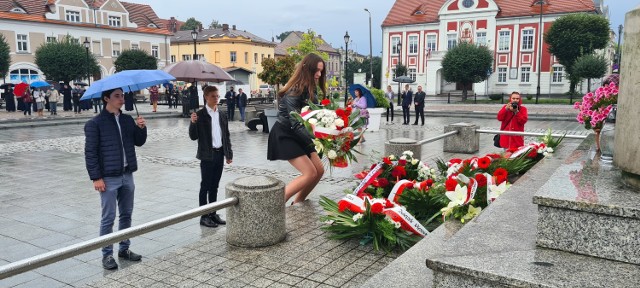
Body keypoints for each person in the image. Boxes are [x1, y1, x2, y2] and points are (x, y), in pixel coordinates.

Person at [84, 87, 147, 270]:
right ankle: (107, 255)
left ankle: (124, 248)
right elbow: (90, 153)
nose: (121, 99)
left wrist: (141, 128)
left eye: (122, 95)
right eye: (117, 96)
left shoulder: (127, 119)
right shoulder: (95, 124)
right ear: (106, 99)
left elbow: (138, 142)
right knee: (108, 217)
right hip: (108, 178)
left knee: (126, 214)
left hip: (127, 175)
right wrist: (96, 177)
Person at [267, 53, 325, 205]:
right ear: (307, 69)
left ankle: (297, 203)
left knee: (319, 171)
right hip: (286, 133)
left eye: (321, 71)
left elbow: (315, 115)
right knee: (310, 173)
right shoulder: (295, 90)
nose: (319, 74)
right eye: (317, 70)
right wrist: (316, 140)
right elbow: (295, 122)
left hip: (300, 133)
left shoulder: (312, 89)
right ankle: (275, 207)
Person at [189, 86, 233, 228]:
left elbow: (226, 135)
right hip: (207, 155)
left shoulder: (221, 114)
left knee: (215, 186)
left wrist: (228, 153)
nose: (216, 99)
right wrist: (193, 123)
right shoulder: (200, 115)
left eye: (217, 96)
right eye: (213, 96)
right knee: (205, 186)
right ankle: (204, 216)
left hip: (219, 153)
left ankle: (213, 213)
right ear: (206, 97)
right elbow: (193, 136)